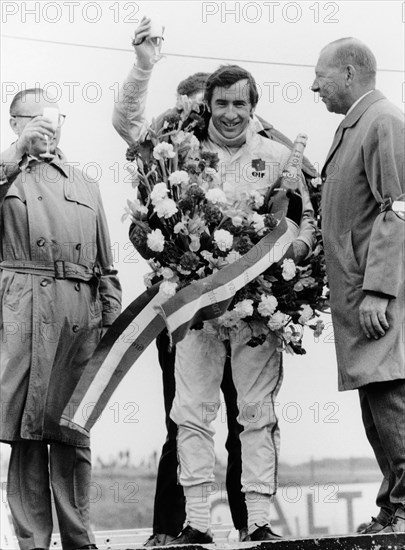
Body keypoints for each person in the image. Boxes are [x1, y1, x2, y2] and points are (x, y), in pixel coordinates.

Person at [112, 18, 317, 546]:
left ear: (254, 108)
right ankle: (197, 523)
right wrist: (142, 66)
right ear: (208, 105)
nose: (230, 114)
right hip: (197, 314)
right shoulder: (178, 149)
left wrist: (295, 251)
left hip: (255, 311)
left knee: (256, 414)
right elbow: (125, 120)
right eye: (221, 104)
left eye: (240, 106)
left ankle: (260, 519)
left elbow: (305, 220)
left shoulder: (277, 156)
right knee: (191, 412)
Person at [0, 89, 122, 550]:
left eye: (54, 118)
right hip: (24, 310)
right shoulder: (7, 173)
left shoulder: (84, 182)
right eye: (36, 119)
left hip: (79, 315)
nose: (48, 127)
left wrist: (110, 317)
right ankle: (32, 540)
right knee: (29, 429)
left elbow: (106, 262)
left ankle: (79, 536)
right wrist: (16, 152)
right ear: (16, 123)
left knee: (74, 426)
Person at [312, 37, 405, 534]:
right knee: (376, 399)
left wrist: (380, 290)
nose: (313, 86)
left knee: (391, 393)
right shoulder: (356, 125)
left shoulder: (383, 121)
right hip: (358, 294)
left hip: (376, 296)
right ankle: (394, 504)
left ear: (348, 73)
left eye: (321, 76)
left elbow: (400, 209)